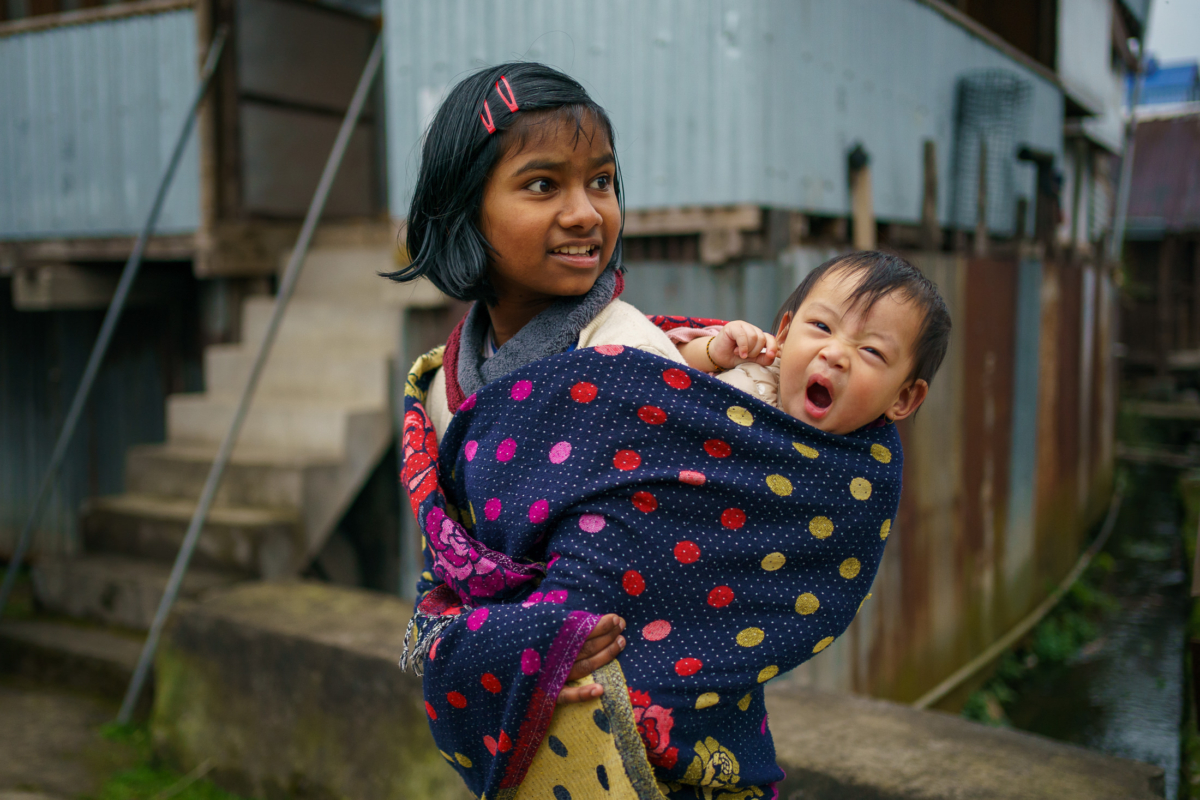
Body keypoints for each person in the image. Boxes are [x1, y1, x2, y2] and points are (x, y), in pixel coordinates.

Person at [387, 62, 686, 707]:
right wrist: (512, 645)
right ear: (464, 207)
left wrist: (552, 633)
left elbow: (666, 563)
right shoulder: (444, 385)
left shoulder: (629, 359)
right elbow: (450, 572)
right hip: (510, 692)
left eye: (601, 181)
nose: (585, 213)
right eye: (544, 184)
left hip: (626, 699)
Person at [671, 251, 950, 434]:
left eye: (871, 351)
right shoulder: (749, 362)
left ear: (903, 398)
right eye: (822, 326)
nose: (835, 354)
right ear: (784, 334)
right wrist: (712, 353)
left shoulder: (864, 473)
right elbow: (662, 363)